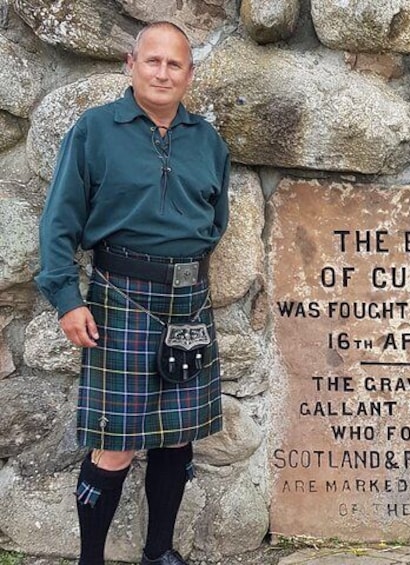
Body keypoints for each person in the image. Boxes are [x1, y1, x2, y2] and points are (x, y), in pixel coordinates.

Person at [36, 21, 230, 565]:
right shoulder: (95, 129)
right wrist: (66, 297)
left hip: (189, 303)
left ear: (189, 75)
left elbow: (215, 221)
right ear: (131, 63)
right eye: (153, 61)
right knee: (115, 441)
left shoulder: (207, 141)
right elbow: (60, 220)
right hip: (120, 299)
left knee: (178, 437)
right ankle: (91, 560)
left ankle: (158, 553)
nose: (163, 72)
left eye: (175, 64)